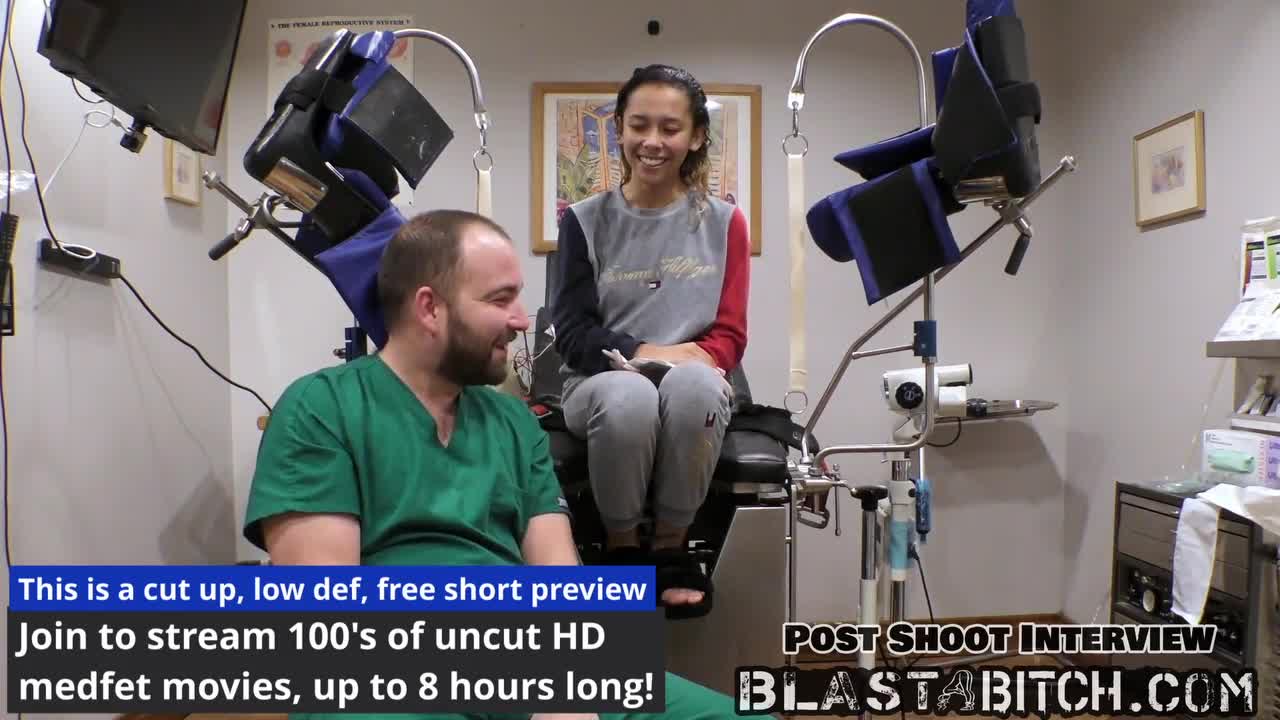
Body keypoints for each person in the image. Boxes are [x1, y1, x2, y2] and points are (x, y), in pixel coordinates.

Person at [243, 209, 768, 720]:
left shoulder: (513, 422)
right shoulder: (321, 408)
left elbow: (558, 581)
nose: (521, 319)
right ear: (429, 308)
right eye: (500, 300)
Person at [551, 64, 750, 619]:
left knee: (694, 389)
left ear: (697, 136)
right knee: (629, 395)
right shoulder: (583, 221)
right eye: (639, 125)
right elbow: (573, 334)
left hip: (695, 377)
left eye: (670, 128)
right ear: (618, 129)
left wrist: (689, 361)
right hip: (599, 380)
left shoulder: (725, 223)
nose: (652, 142)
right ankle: (621, 549)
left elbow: (730, 334)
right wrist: (649, 354)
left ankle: (671, 549)